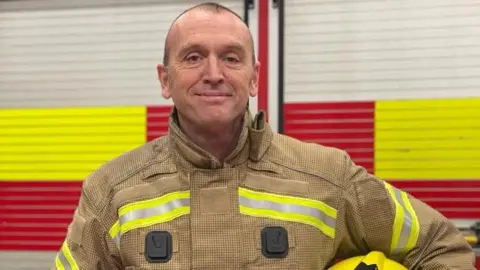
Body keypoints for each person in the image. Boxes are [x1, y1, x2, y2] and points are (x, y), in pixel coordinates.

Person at [52, 2, 475, 269]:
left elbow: (442, 246)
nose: (214, 74)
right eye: (194, 57)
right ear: (165, 79)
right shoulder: (111, 191)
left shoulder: (329, 176)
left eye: (231, 58)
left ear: (254, 77)